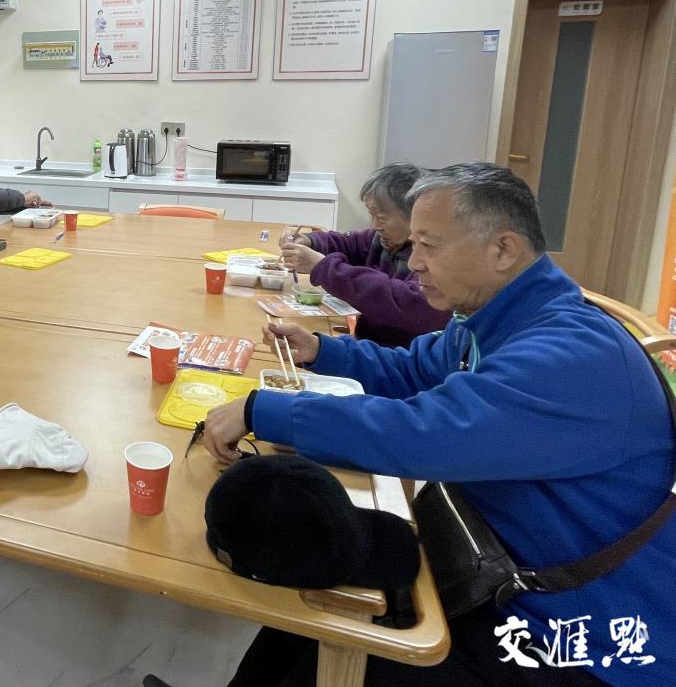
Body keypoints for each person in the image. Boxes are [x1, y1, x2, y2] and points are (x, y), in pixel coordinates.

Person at [200, 162, 675, 687]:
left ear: (503, 249)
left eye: (429, 245)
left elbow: (424, 432)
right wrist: (324, 351)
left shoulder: (573, 356)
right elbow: (414, 371)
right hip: (491, 564)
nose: (414, 262)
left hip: (576, 635)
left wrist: (265, 410)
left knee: (346, 624)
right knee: (314, 588)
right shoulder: (495, 316)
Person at [280, 162, 448, 348]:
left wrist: (323, 267)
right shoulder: (384, 240)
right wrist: (310, 241)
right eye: (371, 215)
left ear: (414, 216)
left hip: (398, 355)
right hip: (368, 347)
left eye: (381, 217)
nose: (375, 225)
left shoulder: (434, 260)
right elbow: (348, 243)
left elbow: (402, 301)